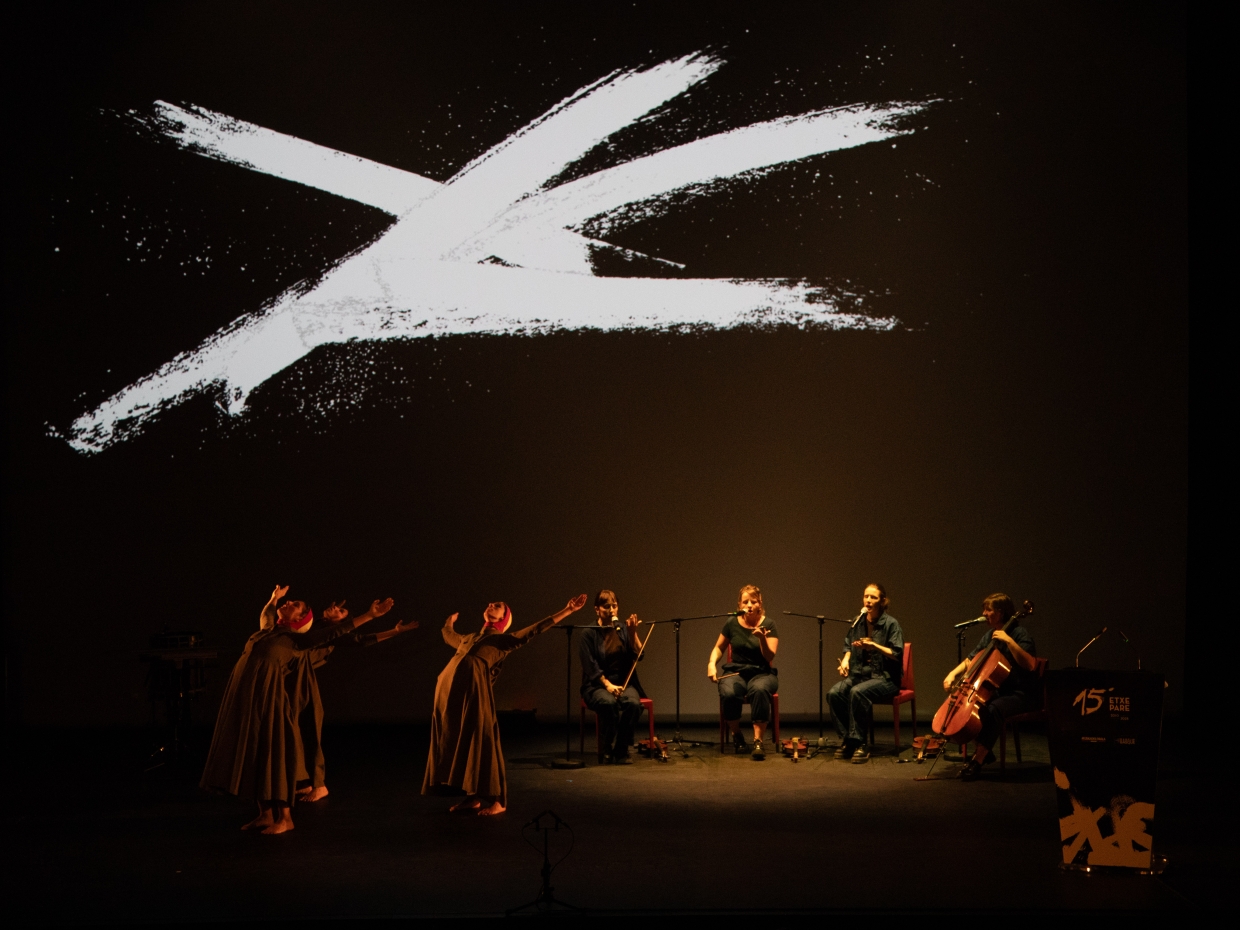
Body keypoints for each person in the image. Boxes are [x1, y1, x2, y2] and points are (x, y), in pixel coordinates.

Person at [201, 585, 394, 834]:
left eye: (296, 605)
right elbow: (266, 616)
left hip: (271, 704)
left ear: (300, 619)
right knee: (255, 755)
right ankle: (265, 815)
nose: (290, 602)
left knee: (273, 756)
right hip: (249, 702)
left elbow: (336, 633)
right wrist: (273, 599)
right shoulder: (267, 633)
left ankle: (285, 819)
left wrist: (370, 616)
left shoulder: (298, 641)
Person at [423, 594, 588, 815]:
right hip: (451, 697)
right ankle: (471, 796)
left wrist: (567, 610)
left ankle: (498, 800)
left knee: (482, 741)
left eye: (498, 605)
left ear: (503, 618)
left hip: (473, 695)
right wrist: (449, 622)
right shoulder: (468, 638)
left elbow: (534, 630)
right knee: (461, 743)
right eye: (490, 603)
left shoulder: (503, 640)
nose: (491, 604)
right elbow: (447, 635)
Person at [291, 600, 419, 802]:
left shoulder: (334, 633)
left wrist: (394, 632)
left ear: (342, 621)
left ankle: (319, 785)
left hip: (303, 685)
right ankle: (304, 782)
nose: (335, 607)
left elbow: (361, 639)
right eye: (336, 606)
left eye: (341, 611)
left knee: (309, 732)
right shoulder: (315, 626)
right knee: (293, 733)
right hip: (292, 681)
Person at [941, 593, 1037, 781]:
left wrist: (1009, 641)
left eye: (988, 610)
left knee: (994, 708)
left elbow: (1030, 664)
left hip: (1021, 693)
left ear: (1001, 613)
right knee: (976, 709)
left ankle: (978, 760)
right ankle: (985, 751)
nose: (984, 613)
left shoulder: (1019, 633)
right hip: (999, 691)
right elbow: (972, 659)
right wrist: (952, 674)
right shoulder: (989, 636)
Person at [828, 583, 904, 763]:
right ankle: (849, 739)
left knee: (857, 692)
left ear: (882, 601)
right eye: (866, 596)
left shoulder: (891, 624)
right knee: (834, 694)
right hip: (860, 675)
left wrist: (874, 646)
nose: (868, 601)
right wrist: (846, 661)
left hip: (886, 678)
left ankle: (860, 742)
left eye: (873, 597)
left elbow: (897, 653)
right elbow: (848, 645)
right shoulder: (858, 621)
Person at [707, 584, 779, 760]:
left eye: (753, 602)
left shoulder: (769, 624)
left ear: (759, 604)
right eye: (745, 602)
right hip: (737, 672)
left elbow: (770, 654)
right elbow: (718, 647)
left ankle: (758, 741)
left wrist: (762, 638)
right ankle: (737, 735)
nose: (749, 605)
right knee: (729, 692)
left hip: (761, 672)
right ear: (739, 605)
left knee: (760, 690)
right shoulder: (731, 623)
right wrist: (711, 663)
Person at [580, 590, 646, 764]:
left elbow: (639, 655)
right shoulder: (588, 633)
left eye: (614, 606)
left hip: (623, 682)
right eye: (606, 606)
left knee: (633, 704)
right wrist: (607, 685)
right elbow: (590, 666)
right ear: (597, 609)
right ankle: (607, 746)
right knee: (608, 703)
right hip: (597, 684)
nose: (611, 610)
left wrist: (633, 633)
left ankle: (621, 749)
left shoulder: (623, 629)